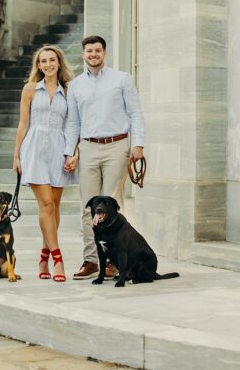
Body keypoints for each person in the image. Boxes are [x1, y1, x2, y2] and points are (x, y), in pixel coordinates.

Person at [63, 35, 145, 280]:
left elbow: (136, 114)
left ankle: (112, 262)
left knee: (112, 204)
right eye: (89, 51)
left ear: (104, 53)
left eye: (97, 50)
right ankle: (91, 260)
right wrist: (70, 151)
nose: (93, 54)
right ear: (83, 54)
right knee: (88, 206)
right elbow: (73, 123)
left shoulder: (121, 79)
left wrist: (138, 145)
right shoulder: (76, 86)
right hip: (87, 148)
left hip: (116, 146)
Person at [12, 45, 77, 282]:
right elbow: (23, 123)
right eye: (43, 61)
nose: (47, 64)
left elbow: (73, 125)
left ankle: (43, 255)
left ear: (59, 63)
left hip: (58, 149)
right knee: (47, 204)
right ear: (38, 66)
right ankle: (58, 259)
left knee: (56, 206)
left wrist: (72, 153)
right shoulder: (30, 89)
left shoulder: (69, 91)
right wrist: (16, 155)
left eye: (52, 60)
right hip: (34, 148)